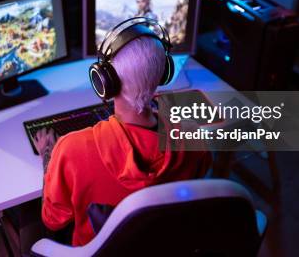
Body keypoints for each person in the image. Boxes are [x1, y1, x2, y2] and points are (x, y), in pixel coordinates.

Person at [32, 32, 211, 247]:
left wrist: (47, 155)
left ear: (104, 81)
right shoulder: (193, 138)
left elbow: (53, 220)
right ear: (163, 73)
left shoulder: (71, 149)